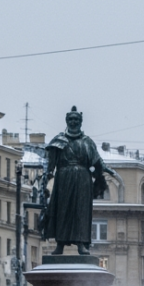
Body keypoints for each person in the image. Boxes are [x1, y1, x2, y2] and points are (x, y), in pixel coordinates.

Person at [42, 106, 117, 255]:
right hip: (63, 179)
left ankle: (82, 244)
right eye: (71, 119)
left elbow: (97, 161)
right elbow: (50, 163)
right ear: (66, 120)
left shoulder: (87, 142)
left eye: (76, 119)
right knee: (62, 211)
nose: (73, 122)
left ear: (81, 122)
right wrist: (47, 174)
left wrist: (107, 169)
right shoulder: (58, 141)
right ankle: (60, 244)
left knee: (81, 212)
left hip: (82, 180)